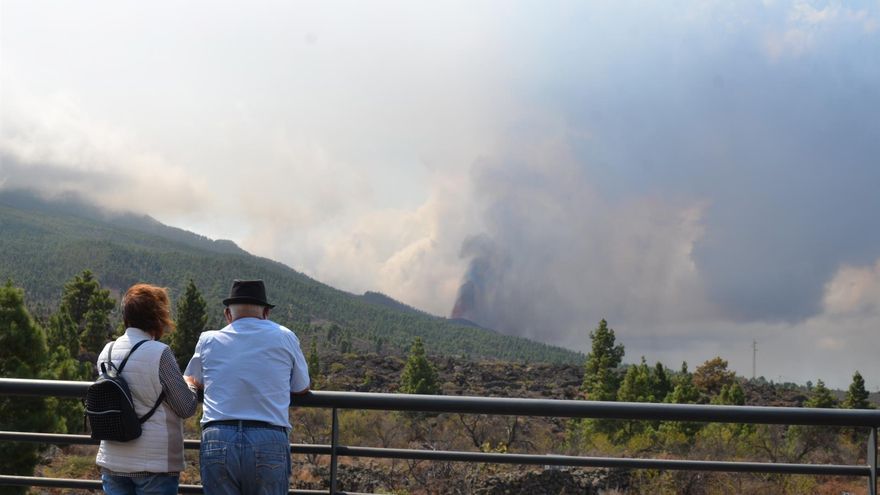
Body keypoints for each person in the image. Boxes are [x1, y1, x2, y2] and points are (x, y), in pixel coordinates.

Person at [184, 279, 310, 495]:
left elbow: (192, 378)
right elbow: (301, 387)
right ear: (266, 312)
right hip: (268, 436)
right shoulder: (285, 336)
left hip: (219, 436)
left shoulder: (208, 340)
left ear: (228, 314)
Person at [96, 283, 198, 495]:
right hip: (154, 465)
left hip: (113, 460)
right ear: (157, 317)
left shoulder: (107, 351)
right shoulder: (160, 353)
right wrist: (190, 384)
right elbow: (186, 407)